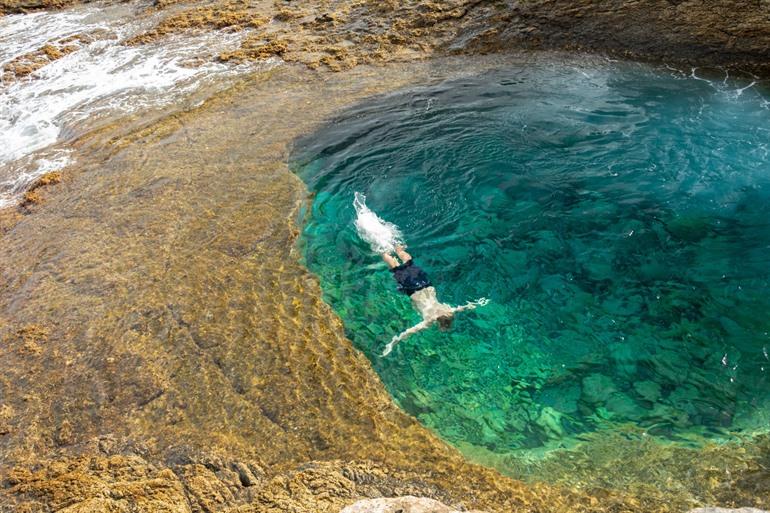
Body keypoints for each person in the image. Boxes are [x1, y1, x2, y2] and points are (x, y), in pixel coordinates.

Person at [380, 245, 488, 356]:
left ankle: (399, 249)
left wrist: (479, 303)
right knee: (395, 268)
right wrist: (391, 344)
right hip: (412, 290)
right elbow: (407, 332)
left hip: (426, 284)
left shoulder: (450, 310)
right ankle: (382, 251)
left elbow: (464, 307)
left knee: (409, 263)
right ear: (440, 324)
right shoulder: (429, 321)